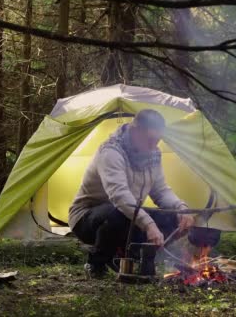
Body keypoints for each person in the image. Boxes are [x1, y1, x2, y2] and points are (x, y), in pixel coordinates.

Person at [68, 109, 195, 278]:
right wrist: (149, 224)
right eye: (150, 139)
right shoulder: (111, 151)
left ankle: (134, 258)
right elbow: (120, 197)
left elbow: (161, 190)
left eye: (157, 140)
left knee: (172, 217)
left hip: (129, 215)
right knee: (116, 213)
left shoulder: (154, 153)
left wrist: (180, 208)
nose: (153, 145)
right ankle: (96, 263)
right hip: (88, 218)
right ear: (135, 131)